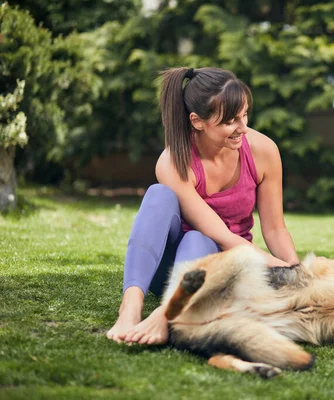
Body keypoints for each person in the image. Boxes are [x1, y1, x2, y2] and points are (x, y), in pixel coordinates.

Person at [106, 67, 299, 345]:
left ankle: (166, 314)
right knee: (160, 196)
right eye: (230, 121)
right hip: (173, 270)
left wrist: (297, 273)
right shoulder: (173, 161)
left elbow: (276, 229)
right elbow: (220, 234)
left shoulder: (263, 151)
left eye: (245, 115)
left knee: (199, 239)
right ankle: (130, 307)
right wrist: (278, 266)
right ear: (197, 122)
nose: (243, 127)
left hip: (225, 274)